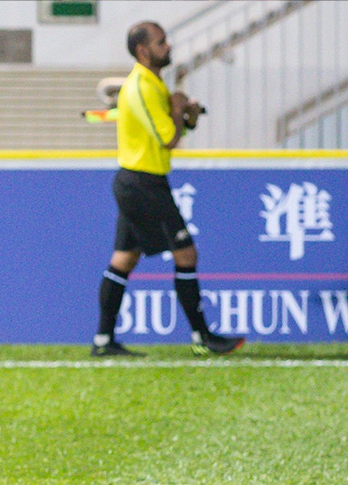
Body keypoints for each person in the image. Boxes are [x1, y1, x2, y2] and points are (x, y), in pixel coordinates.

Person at [91, 21, 245, 357]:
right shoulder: (143, 87)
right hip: (143, 184)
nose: (169, 46)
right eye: (162, 42)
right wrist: (178, 108)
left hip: (140, 182)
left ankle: (103, 341)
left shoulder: (153, 83)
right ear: (144, 51)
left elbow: (176, 130)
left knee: (123, 260)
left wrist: (185, 114)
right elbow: (169, 138)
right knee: (186, 254)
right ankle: (202, 338)